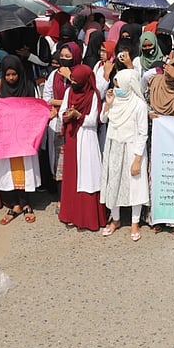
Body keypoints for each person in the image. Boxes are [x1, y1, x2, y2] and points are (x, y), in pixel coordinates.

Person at [0, 55, 40, 225]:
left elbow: (36, 107)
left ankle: (25, 204)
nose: (11, 78)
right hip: (5, 137)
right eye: (8, 75)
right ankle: (14, 204)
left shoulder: (29, 86)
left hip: (24, 136)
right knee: (7, 172)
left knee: (24, 170)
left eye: (14, 75)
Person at [100, 69, 149, 240]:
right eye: (115, 83)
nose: (116, 87)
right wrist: (108, 103)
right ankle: (116, 219)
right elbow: (103, 119)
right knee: (114, 183)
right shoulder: (114, 100)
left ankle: (135, 222)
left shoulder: (139, 105)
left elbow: (143, 133)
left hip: (132, 149)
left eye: (118, 84)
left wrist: (137, 159)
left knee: (135, 186)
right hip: (114, 146)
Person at [57, 63, 106, 232]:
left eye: (76, 81)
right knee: (72, 176)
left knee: (88, 175)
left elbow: (94, 120)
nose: (73, 83)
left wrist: (78, 115)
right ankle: (71, 215)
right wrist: (66, 114)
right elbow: (61, 110)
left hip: (87, 138)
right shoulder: (69, 92)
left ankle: (87, 217)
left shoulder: (93, 95)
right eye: (71, 80)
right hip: (72, 137)